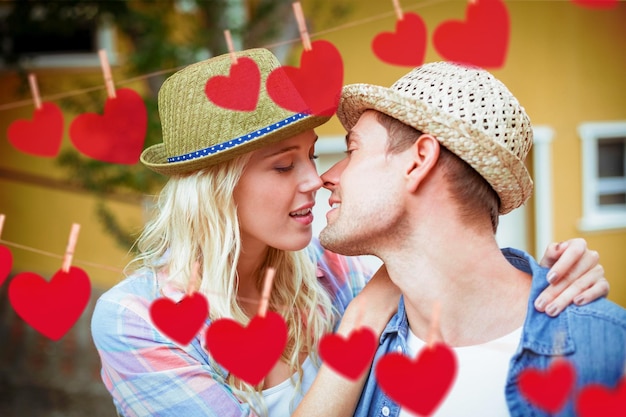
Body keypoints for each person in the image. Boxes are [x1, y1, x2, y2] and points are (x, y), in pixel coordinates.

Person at [90, 49, 609, 417]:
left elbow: (452, 262)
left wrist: (557, 277)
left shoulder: (332, 267)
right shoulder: (138, 320)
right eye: (282, 166)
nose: (317, 180)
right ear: (217, 188)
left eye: (315, 156)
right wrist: (363, 315)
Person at [316, 61, 626, 416]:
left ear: (418, 161)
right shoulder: (357, 341)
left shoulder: (608, 350)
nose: (327, 176)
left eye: (352, 150)